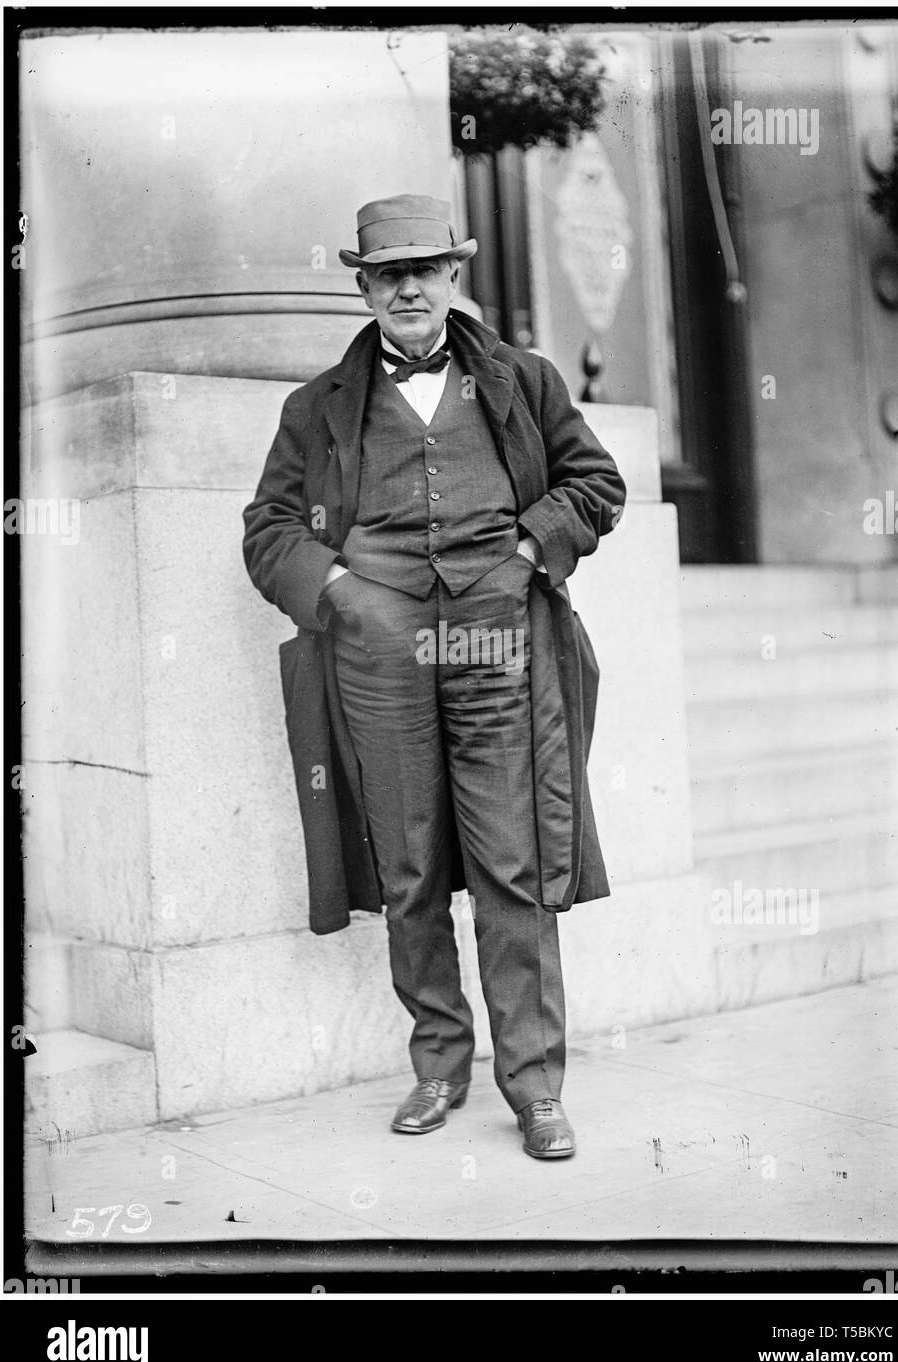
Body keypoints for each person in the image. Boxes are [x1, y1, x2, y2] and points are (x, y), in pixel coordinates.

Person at [243, 194, 625, 1159]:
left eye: (425, 269)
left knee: (514, 860)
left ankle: (535, 1085)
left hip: (499, 642)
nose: (407, 287)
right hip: (381, 657)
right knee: (409, 865)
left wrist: (529, 554)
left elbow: (598, 486)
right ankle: (438, 1064)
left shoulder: (522, 380)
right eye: (386, 273)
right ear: (363, 288)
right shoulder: (316, 409)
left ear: (455, 277)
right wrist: (341, 593)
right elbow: (268, 530)